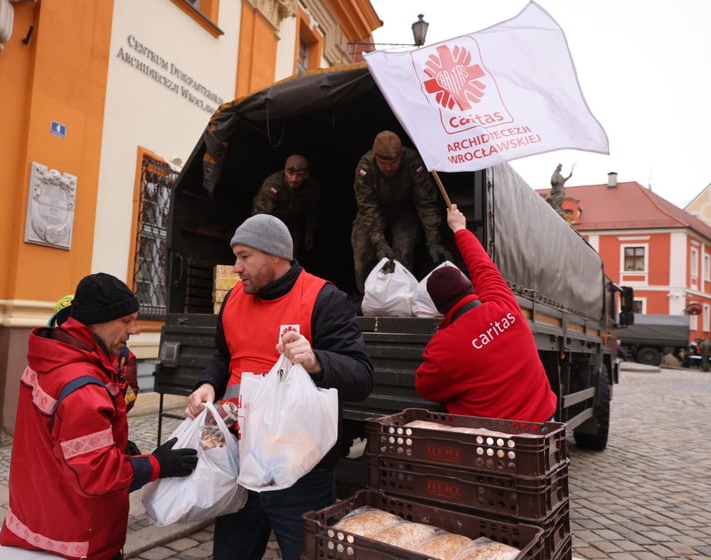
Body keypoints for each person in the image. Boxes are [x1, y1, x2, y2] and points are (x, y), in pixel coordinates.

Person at [185, 214, 373, 560]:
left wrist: (316, 361)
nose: (236, 268)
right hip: (239, 462)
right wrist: (208, 384)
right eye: (235, 257)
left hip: (301, 470)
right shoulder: (233, 300)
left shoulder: (323, 298)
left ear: (275, 255)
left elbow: (361, 377)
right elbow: (224, 357)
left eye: (244, 256)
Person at [0, 273, 198, 560]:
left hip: (36, 517)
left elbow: (53, 437)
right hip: (78, 536)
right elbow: (99, 474)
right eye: (126, 320)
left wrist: (116, 445)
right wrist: (157, 465)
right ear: (97, 321)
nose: (133, 330)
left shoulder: (51, 358)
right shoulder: (84, 386)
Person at [415, 204, 557, 423]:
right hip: (541, 426)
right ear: (469, 287)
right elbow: (482, 266)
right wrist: (459, 229)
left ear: (439, 308)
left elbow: (425, 388)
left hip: (491, 443)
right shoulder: (503, 304)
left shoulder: (444, 346)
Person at [351, 130, 450, 294]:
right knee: (362, 255)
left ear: (401, 155)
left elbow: (425, 202)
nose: (389, 168)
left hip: (403, 211)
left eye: (394, 163)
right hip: (373, 214)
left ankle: (400, 297)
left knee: (403, 250)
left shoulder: (412, 161)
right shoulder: (365, 167)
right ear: (376, 157)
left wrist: (434, 240)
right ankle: (367, 299)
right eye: (384, 163)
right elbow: (367, 207)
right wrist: (379, 242)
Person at [252, 154, 321, 257]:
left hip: (292, 223)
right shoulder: (273, 183)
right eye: (290, 173)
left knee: (289, 257)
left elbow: (312, 210)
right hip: (271, 220)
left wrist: (309, 230)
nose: (294, 179)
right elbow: (261, 211)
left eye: (299, 175)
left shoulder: (311, 188)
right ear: (285, 171)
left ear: (306, 175)